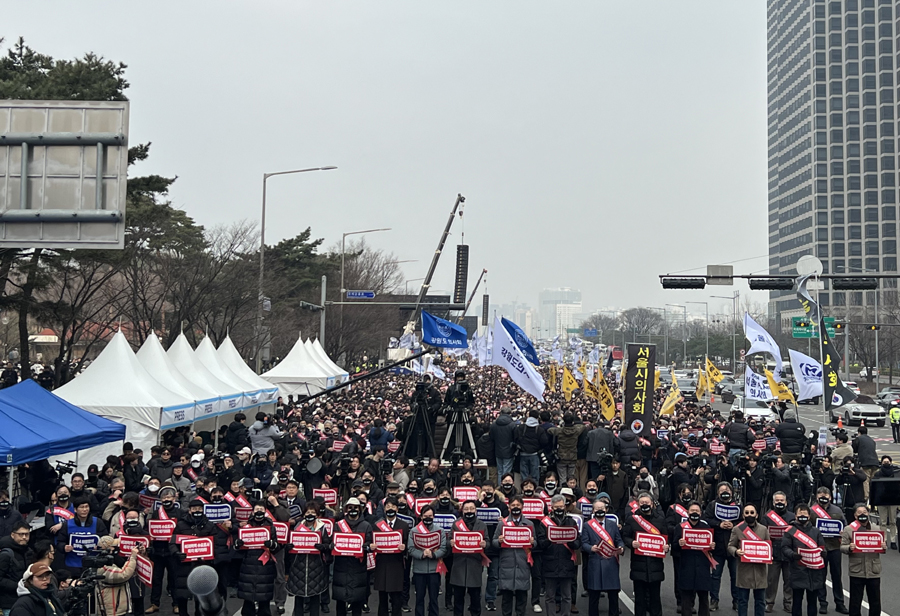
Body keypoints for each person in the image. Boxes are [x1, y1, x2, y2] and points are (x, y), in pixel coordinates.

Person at [622, 492, 668, 616]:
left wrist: (666, 547)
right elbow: (625, 537)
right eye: (642, 503)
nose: (644, 505)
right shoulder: (632, 519)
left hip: (655, 565)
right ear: (637, 505)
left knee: (655, 599)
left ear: (652, 504)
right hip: (638, 565)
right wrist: (632, 543)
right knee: (640, 600)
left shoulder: (660, 520)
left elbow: (666, 538)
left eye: (647, 503)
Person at [170, 500, 216, 616]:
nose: (197, 511)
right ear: (189, 510)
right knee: (182, 596)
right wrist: (177, 553)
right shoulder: (180, 525)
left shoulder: (209, 525)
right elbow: (172, 543)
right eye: (194, 509)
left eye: (199, 509)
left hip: (201, 566)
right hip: (183, 566)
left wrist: (209, 556)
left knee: (200, 597)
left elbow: (216, 544)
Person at [536, 495, 580, 616]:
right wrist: (550, 539)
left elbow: (578, 542)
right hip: (550, 562)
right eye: (557, 507)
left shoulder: (571, 521)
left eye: (561, 506)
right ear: (552, 507)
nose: (559, 509)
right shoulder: (544, 523)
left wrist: (570, 541)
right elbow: (540, 543)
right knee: (550, 595)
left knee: (567, 595)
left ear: (565, 506)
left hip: (567, 562)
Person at [491, 496, 534, 616]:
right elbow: (493, 542)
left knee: (521, 599)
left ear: (522, 507)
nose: (516, 508)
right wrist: (499, 541)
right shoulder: (502, 524)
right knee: (506, 599)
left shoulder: (529, 524)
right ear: (509, 507)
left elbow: (535, 544)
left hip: (522, 563)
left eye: (518, 505)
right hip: (507, 563)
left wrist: (532, 542)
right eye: (513, 505)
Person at [234, 503, 279, 616]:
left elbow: (277, 547)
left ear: (265, 512)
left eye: (261, 509)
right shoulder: (246, 526)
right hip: (248, 566)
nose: (259, 511)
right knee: (248, 603)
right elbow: (238, 550)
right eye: (257, 509)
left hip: (265, 566)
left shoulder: (271, 527)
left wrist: (272, 544)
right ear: (252, 512)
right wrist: (238, 544)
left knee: (264, 603)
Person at [288, 502, 332, 616]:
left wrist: (323, 547)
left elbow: (328, 545)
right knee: (298, 598)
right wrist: (289, 547)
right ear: (303, 514)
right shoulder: (297, 527)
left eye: (313, 512)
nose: (310, 514)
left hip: (316, 566)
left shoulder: (322, 528)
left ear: (317, 515)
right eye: (308, 512)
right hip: (299, 566)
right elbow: (290, 543)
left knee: (315, 598)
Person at [809, 488, 848, 615]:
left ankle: (840, 603)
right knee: (821, 577)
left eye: (826, 494)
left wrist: (843, 533)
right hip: (820, 549)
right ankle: (822, 603)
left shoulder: (837, 510)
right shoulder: (811, 511)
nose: (823, 496)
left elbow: (845, 525)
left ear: (830, 497)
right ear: (816, 496)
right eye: (820, 494)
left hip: (835, 548)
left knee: (837, 576)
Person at [781, 504, 826, 616]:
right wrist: (792, 555)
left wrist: (824, 553)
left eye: (804, 514)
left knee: (812, 603)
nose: (802, 516)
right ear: (795, 516)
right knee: (797, 602)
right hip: (797, 570)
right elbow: (784, 547)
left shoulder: (816, 531)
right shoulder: (790, 531)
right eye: (800, 514)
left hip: (814, 571)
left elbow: (822, 547)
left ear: (809, 516)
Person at [839, 504, 883, 616]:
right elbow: (842, 547)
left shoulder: (876, 529)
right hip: (856, 570)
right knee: (855, 601)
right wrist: (849, 547)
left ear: (868, 513)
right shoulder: (849, 529)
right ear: (855, 515)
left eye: (865, 512)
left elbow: (882, 547)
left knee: (875, 601)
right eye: (859, 513)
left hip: (873, 570)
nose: (862, 514)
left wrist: (883, 546)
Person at [582, 499, 623, 616]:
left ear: (606, 510)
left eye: (602, 508)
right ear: (593, 511)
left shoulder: (612, 524)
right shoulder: (587, 525)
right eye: (597, 509)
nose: (600, 511)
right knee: (594, 596)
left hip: (611, 563)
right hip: (595, 562)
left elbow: (619, 540)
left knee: (613, 595)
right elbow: (583, 543)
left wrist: (621, 547)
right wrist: (591, 548)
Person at [332, 498, 373, 616]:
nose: (353, 510)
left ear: (360, 509)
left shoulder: (366, 526)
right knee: (340, 603)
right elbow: (333, 542)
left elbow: (370, 544)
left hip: (358, 568)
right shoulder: (338, 525)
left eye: (355, 507)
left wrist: (365, 547)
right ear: (346, 509)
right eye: (350, 507)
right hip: (341, 567)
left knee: (357, 602)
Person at [673, 502, 714, 616]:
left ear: (701, 513)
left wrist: (712, 546)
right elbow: (674, 548)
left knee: (704, 598)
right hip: (687, 566)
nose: (694, 513)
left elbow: (711, 548)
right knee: (686, 599)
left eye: (697, 511)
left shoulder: (706, 528)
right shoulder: (680, 527)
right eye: (692, 511)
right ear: (687, 513)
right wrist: (679, 543)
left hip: (702, 566)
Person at [703, 482, 739, 612]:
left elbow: (743, 521)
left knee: (735, 576)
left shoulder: (737, 505)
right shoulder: (712, 505)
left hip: (734, 547)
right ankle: (714, 600)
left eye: (727, 489)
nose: (725, 492)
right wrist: (719, 524)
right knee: (715, 576)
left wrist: (733, 524)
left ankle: (736, 601)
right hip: (717, 547)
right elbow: (706, 520)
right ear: (718, 492)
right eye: (722, 490)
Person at [728, 504, 769, 616]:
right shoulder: (737, 529)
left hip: (760, 571)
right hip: (744, 570)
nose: (749, 515)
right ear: (743, 515)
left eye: (752, 512)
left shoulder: (764, 529)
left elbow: (768, 547)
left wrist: (769, 555)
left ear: (756, 515)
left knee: (760, 601)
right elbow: (730, 546)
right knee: (742, 601)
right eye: (747, 513)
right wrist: (736, 552)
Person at [448, 500, 487, 616]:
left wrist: (485, 544)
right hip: (459, 565)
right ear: (462, 510)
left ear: (476, 510)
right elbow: (447, 541)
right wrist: (450, 543)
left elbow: (488, 542)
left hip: (474, 565)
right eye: (466, 509)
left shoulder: (482, 525)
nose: (469, 511)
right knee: (458, 600)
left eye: (471, 508)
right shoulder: (456, 524)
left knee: (475, 599)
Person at [373, 497, 409, 616]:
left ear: (397, 509)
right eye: (387, 507)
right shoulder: (377, 525)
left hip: (396, 565)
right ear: (384, 509)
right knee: (382, 599)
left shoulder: (403, 525)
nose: (390, 509)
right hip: (381, 564)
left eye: (393, 507)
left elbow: (408, 545)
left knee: (396, 599)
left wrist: (404, 547)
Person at [409, 505, 447, 616]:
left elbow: (443, 548)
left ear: (434, 516)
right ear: (421, 517)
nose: (428, 518)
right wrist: (421, 554)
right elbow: (410, 549)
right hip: (419, 570)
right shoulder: (414, 531)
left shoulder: (440, 531)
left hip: (434, 570)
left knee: (434, 598)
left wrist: (434, 554)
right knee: (419, 598)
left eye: (430, 516)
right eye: (425, 516)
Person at [58, 496, 108, 576]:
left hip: (93, 563)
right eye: (81, 507)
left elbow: (106, 539)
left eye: (86, 507)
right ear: (75, 509)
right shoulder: (67, 524)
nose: (85, 510)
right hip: (72, 564)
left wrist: (100, 546)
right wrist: (64, 547)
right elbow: (60, 542)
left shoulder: (98, 522)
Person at [763, 492, 794, 614]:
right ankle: (769, 602)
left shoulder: (792, 517)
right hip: (774, 553)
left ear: (786, 502)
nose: (779, 503)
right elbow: (763, 534)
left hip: (788, 552)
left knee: (789, 580)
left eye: (782, 500)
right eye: (777, 501)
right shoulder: (767, 517)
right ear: (773, 502)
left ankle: (788, 602)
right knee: (771, 580)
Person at [95, 535, 140, 616]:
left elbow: (125, 566)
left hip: (115, 606)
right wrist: (133, 557)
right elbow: (124, 574)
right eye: (115, 546)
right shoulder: (102, 567)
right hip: (111, 609)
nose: (117, 547)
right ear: (110, 549)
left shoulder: (111, 560)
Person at [0, 522, 32, 615]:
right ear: (13, 535)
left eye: (27, 534)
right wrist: (19, 585)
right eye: (21, 534)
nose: (24, 537)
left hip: (25, 599)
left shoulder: (28, 551)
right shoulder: (5, 554)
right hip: (9, 601)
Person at [548, 413, 586, 483]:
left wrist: (560, 426)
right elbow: (583, 426)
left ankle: (563, 491)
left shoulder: (559, 431)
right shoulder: (576, 430)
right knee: (571, 478)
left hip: (561, 456)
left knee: (562, 478)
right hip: (573, 456)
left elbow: (549, 430)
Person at [871, 456, 897, 550]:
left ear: (890, 462)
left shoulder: (895, 473)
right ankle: (884, 539)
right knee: (883, 522)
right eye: (884, 461)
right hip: (881, 500)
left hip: (893, 500)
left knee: (893, 521)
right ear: (881, 463)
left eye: (887, 461)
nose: (886, 463)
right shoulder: (878, 474)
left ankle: (893, 540)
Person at [489, 408, 517, 480]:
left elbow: (491, 437)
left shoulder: (494, 424)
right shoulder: (512, 425)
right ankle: (505, 487)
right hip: (509, 450)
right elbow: (516, 438)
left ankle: (500, 486)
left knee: (500, 471)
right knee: (506, 471)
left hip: (497, 449)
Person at [851, 427, 878, 501]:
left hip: (865, 463)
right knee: (873, 481)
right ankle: (874, 497)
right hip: (875, 462)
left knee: (865, 480)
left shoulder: (859, 439)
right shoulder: (871, 440)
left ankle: (866, 498)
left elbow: (854, 449)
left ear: (859, 432)